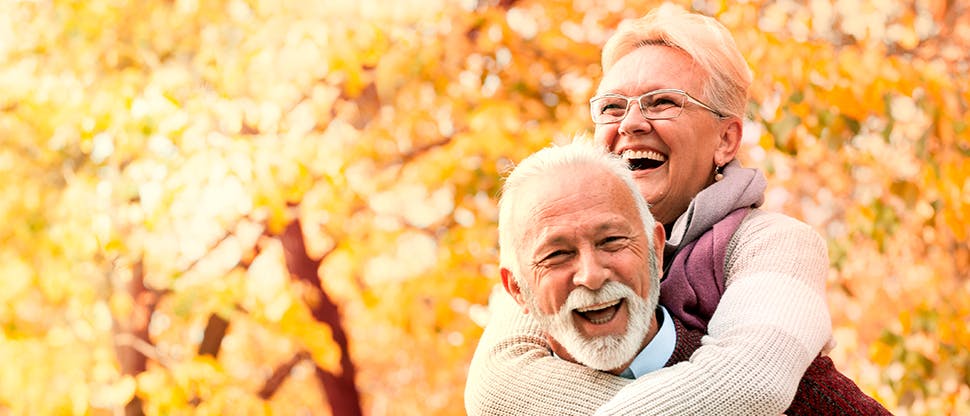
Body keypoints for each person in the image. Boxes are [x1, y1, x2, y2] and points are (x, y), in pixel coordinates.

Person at [465, 4, 849, 414]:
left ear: (725, 140)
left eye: (662, 102)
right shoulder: (556, 252)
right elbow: (501, 386)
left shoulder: (774, 243)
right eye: (613, 107)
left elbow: (749, 381)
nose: (630, 123)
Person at [493, 140, 890, 415]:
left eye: (612, 241)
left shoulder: (798, 389)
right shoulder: (509, 388)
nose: (592, 276)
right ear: (517, 290)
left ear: (655, 251)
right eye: (557, 254)